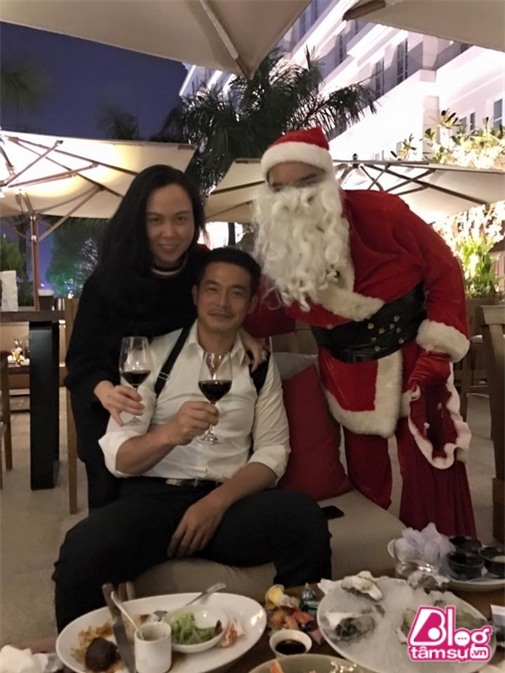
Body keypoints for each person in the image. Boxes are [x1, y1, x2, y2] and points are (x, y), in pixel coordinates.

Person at [53, 247, 332, 631]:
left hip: (229, 505)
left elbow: (272, 452)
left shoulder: (259, 365)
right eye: (212, 289)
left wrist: (216, 502)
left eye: (236, 293)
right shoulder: (153, 356)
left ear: (251, 303)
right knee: (81, 551)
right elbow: (119, 455)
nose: (222, 302)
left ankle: (294, 636)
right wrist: (169, 434)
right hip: (154, 501)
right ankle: (91, 654)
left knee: (305, 520)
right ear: (195, 294)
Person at [253, 126, 476, 536]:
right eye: (280, 188)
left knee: (431, 463)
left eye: (306, 182)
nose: (295, 197)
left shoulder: (384, 213)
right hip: (346, 371)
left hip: (414, 356)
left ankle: (439, 557)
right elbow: (268, 316)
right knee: (367, 480)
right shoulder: (282, 254)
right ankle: (379, 559)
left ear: (327, 178)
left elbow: (445, 269)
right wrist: (233, 329)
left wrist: (439, 351)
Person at [65, 165, 264, 510]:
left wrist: (241, 331)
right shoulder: (108, 280)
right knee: (113, 504)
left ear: (195, 221)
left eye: (181, 219)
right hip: (116, 404)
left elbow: (218, 305)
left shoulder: (200, 265)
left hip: (169, 403)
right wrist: (106, 391)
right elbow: (81, 360)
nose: (169, 233)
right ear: (137, 222)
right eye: (155, 220)